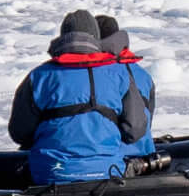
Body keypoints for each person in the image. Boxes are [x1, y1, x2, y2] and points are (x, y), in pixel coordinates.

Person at [9, 11, 148, 184]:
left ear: (63, 37)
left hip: (51, 172)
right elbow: (135, 130)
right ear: (95, 39)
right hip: (107, 171)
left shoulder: (39, 76)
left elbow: (19, 133)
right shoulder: (120, 74)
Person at [97, 12, 158, 161]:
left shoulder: (97, 74)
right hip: (145, 154)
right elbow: (146, 123)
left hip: (110, 158)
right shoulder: (142, 74)